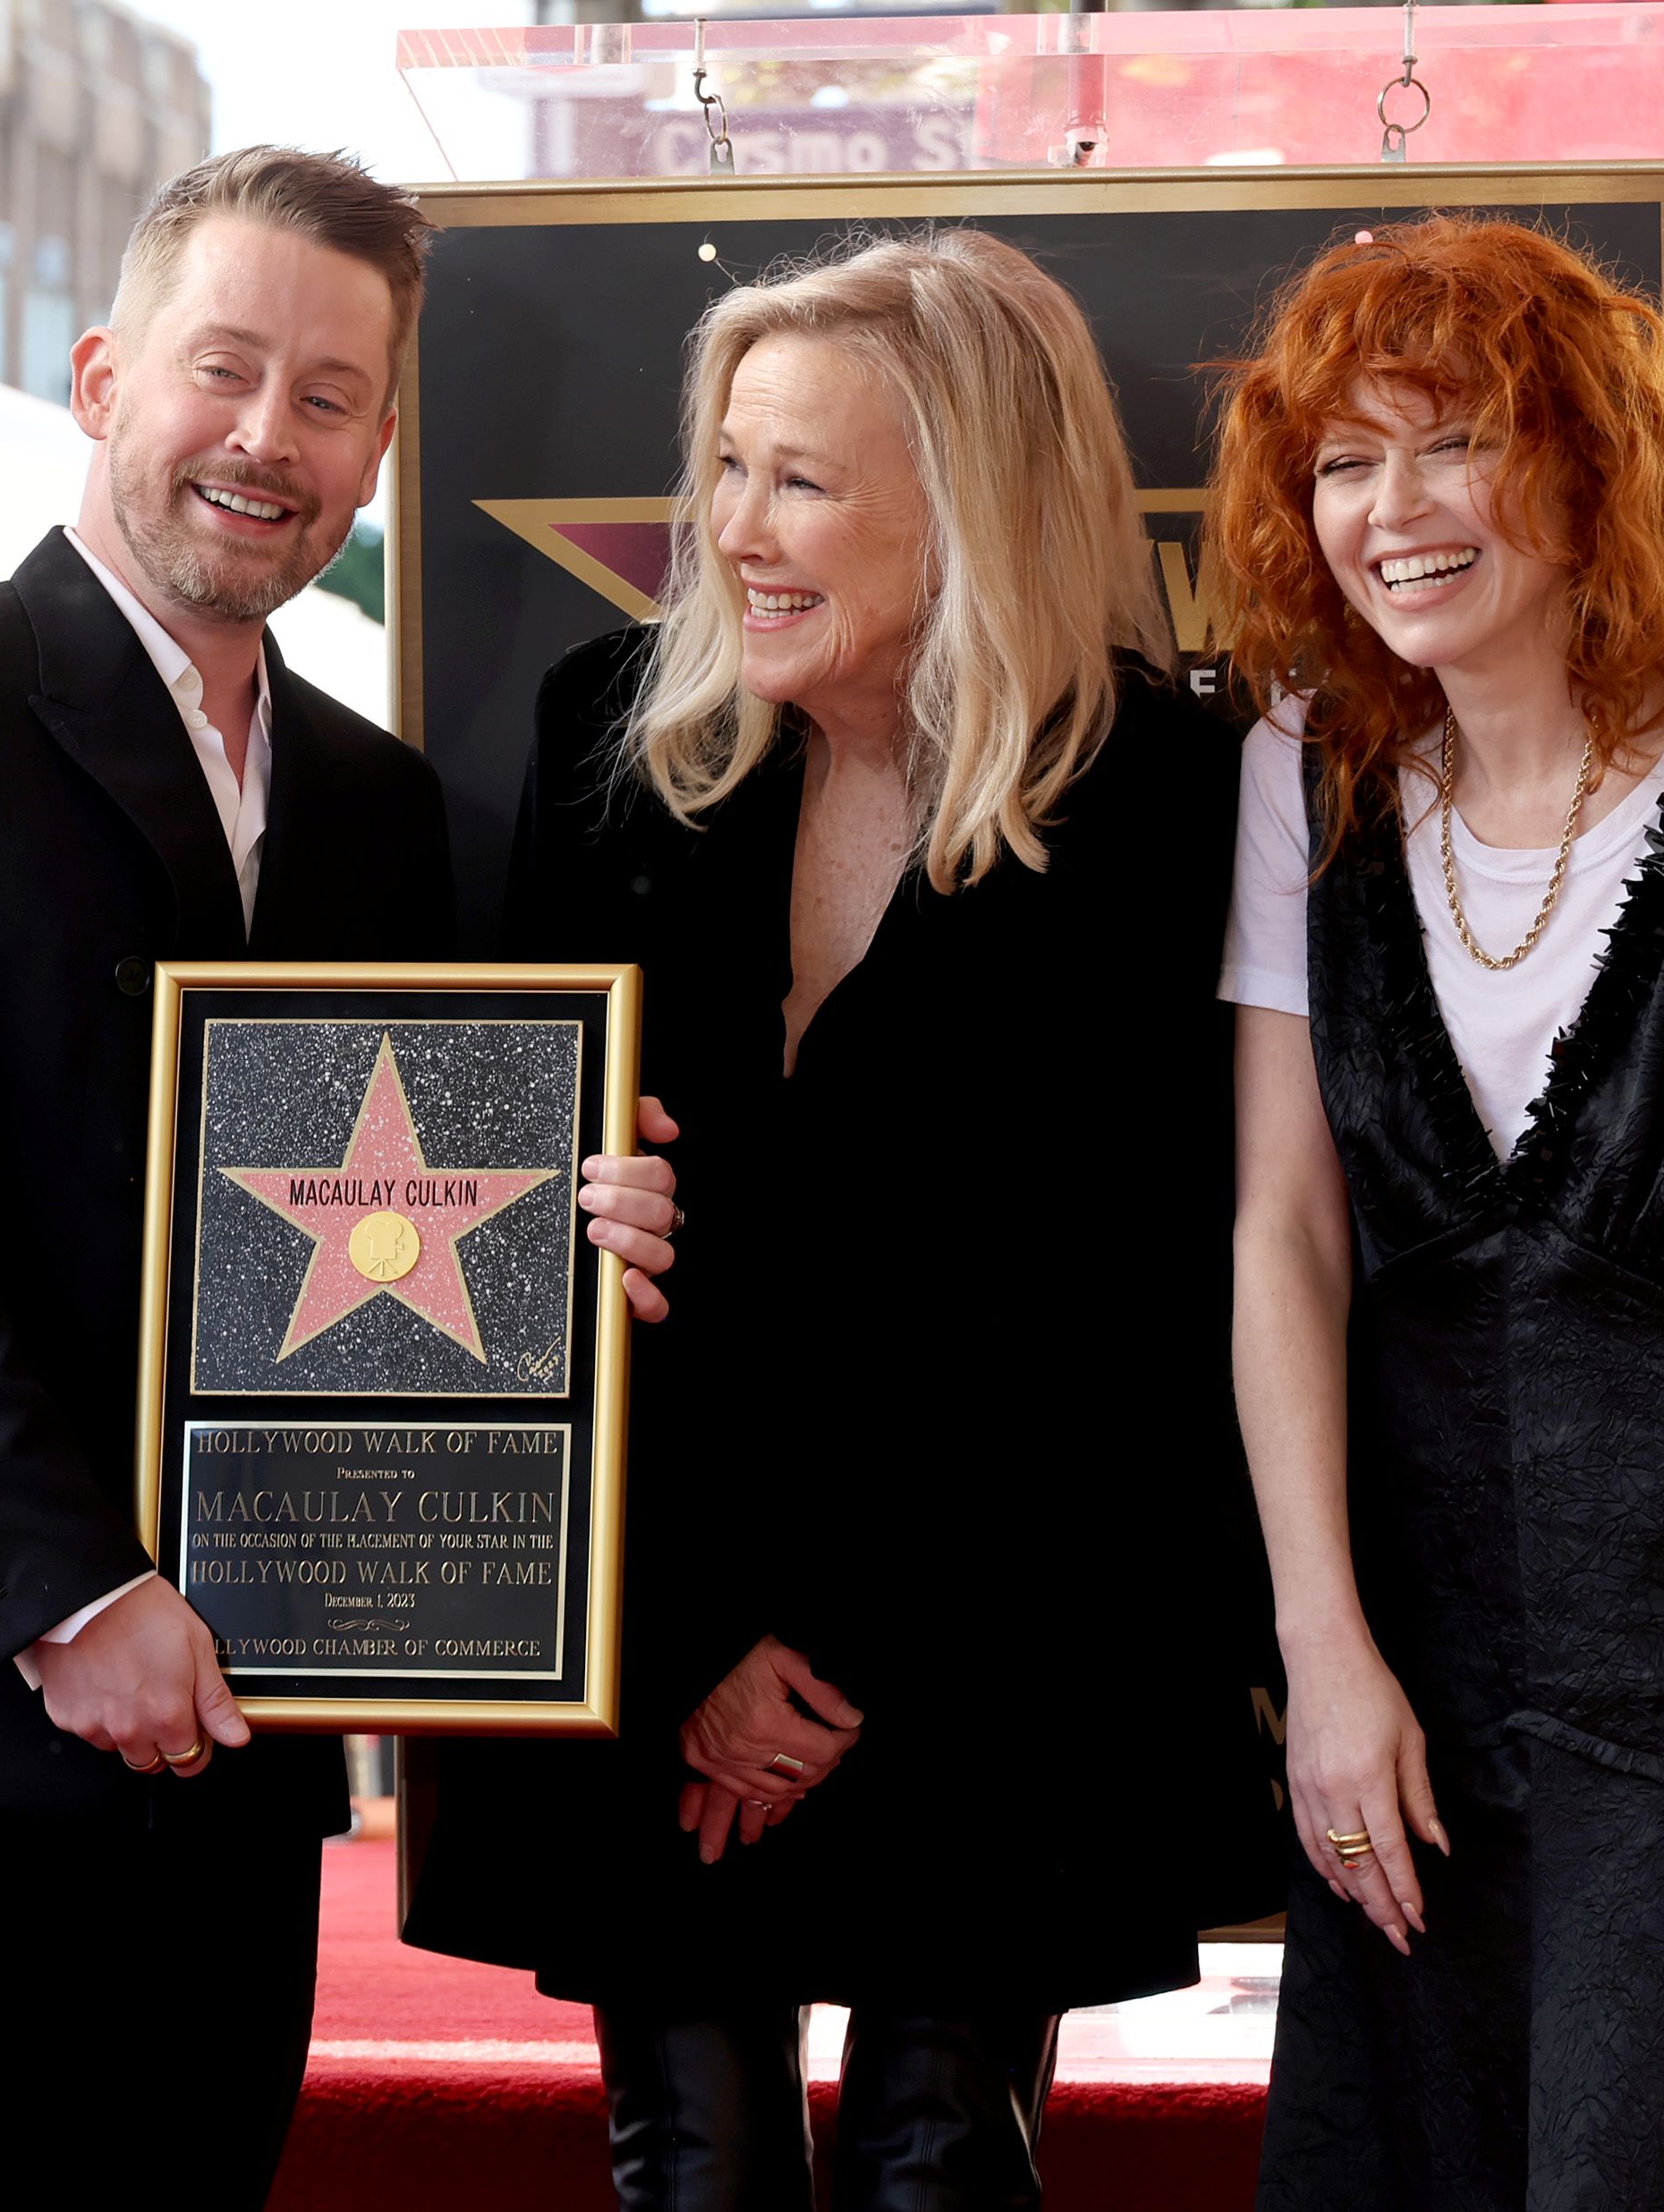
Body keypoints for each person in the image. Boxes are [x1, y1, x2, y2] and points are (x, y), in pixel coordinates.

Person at [0, 146, 680, 2210]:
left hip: (260, 1705)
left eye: (327, 393)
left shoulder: (375, 799)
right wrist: (72, 1594)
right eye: (219, 368)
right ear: (97, 377)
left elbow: (413, 1208)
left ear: (380, 443)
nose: (266, 437)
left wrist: (570, 1210)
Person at [401, 230, 1279, 2212]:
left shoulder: (1173, 800)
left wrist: (832, 1655)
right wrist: (709, 1633)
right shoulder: (602, 738)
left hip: (1006, 1635)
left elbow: (1128, 1304)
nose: (732, 530)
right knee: (688, 2170)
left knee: (929, 2166)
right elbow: (537, 1241)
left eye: (799, 478)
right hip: (663, 1613)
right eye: (725, 465)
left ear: (967, 501)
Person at [1208, 216, 1664, 2208]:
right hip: (1409, 1701)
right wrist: (1322, 1658)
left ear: (1586, 460)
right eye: (1343, 465)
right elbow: (1282, 1231)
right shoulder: (1311, 771)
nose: (1393, 511)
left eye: (1451, 443)